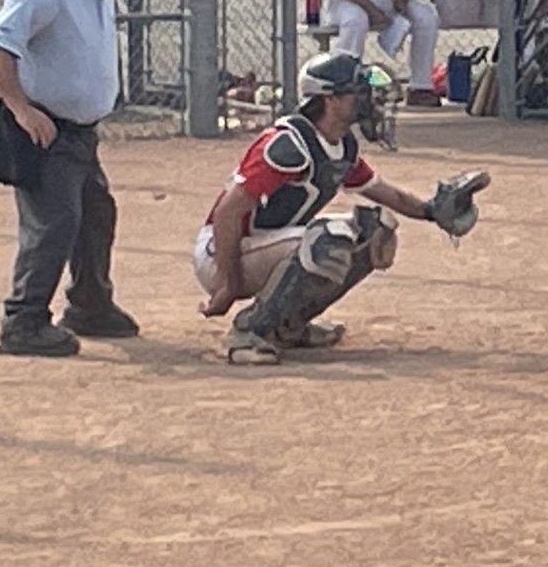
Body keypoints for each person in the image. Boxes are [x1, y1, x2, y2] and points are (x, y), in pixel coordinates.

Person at [195, 51, 490, 364]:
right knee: (328, 240)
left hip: (267, 247)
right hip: (221, 254)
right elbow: (227, 213)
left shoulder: (340, 145)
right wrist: (229, 285)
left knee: (375, 232)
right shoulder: (288, 145)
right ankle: (249, 332)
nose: (367, 99)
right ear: (330, 99)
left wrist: (432, 211)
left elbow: (385, 192)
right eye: (358, 92)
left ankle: (287, 325)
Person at [0, 0, 139, 357]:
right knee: (54, 224)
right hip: (46, 132)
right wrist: (21, 109)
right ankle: (23, 322)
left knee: (95, 215)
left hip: (82, 134)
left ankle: (90, 305)